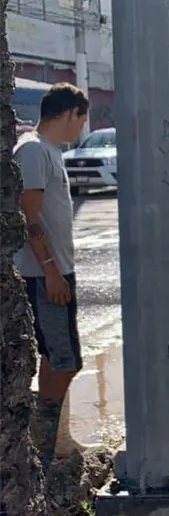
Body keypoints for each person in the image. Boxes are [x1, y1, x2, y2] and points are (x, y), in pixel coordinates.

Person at [15, 82, 99, 466]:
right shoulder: (33, 150)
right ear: (69, 113)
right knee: (62, 360)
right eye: (82, 119)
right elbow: (28, 215)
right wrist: (49, 271)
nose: (81, 128)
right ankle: (41, 449)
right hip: (41, 274)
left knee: (62, 358)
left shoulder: (50, 151)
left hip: (59, 270)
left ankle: (50, 443)